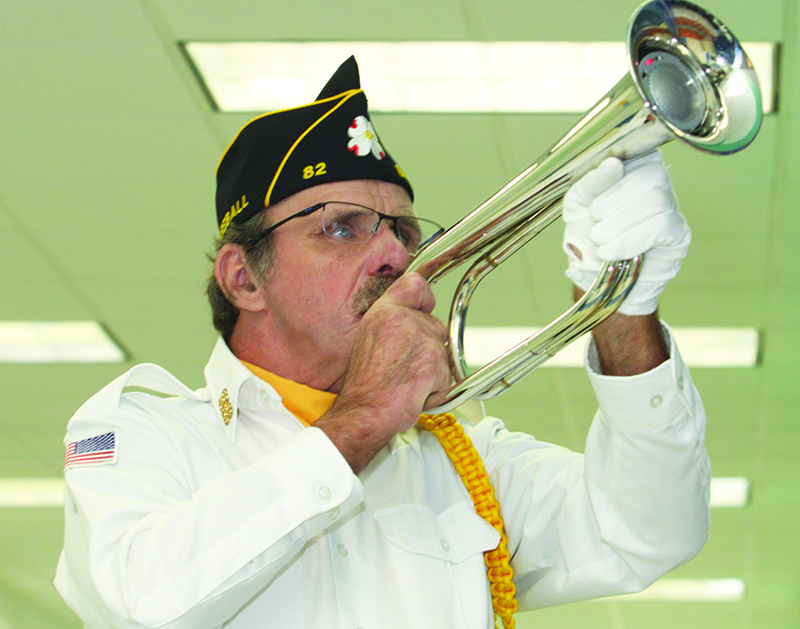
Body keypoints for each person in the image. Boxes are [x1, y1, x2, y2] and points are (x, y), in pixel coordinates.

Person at [55, 57, 709, 629]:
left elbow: (647, 531)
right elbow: (139, 600)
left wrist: (625, 308)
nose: (396, 252)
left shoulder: (463, 462)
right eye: (343, 227)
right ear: (243, 276)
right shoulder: (145, 428)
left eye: (403, 227)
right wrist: (365, 414)